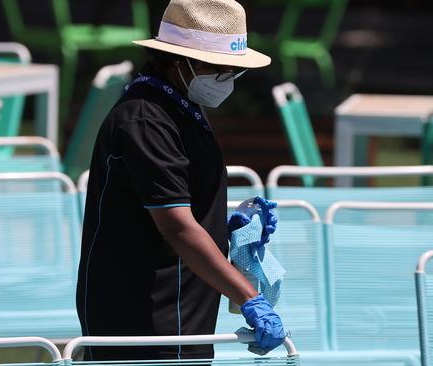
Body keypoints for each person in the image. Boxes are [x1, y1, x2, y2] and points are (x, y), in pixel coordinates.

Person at [76, 0, 285, 361]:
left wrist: (226, 229)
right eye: (218, 67)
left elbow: (178, 202)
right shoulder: (146, 119)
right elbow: (178, 228)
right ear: (179, 60)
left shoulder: (179, 103)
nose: (226, 77)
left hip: (181, 304)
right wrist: (250, 298)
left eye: (233, 70)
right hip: (145, 312)